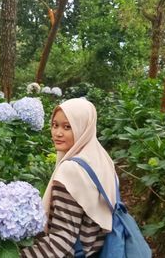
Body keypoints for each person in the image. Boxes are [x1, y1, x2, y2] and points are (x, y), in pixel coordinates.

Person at [21, 98, 118, 257]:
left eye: (68, 127)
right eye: (54, 125)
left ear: (83, 127)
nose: (58, 133)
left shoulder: (71, 171)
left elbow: (61, 242)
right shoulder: (101, 159)